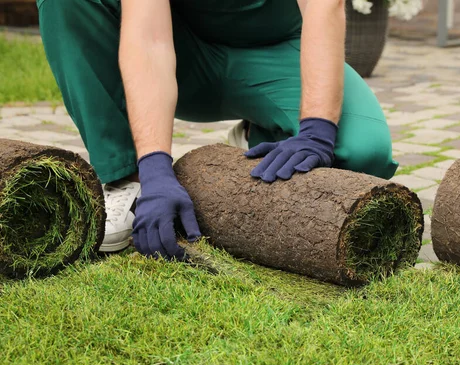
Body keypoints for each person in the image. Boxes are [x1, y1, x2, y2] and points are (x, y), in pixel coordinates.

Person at [37, 0, 398, 259]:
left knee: (363, 150)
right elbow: (148, 39)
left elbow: (325, 7)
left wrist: (317, 129)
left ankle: (264, 134)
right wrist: (154, 168)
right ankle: (126, 181)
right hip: (184, 54)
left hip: (276, 51)